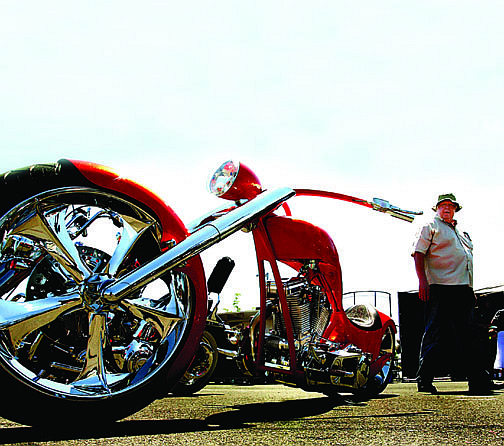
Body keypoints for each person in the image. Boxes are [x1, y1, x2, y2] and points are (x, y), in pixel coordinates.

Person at [412, 193, 491, 395]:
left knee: (469, 334)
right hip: (439, 287)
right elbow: (418, 253)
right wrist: (423, 282)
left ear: (456, 209)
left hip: (462, 289)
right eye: (443, 205)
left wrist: (470, 288)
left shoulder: (462, 233)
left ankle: (478, 379)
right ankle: (424, 379)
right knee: (435, 333)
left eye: (451, 205)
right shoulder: (430, 227)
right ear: (436, 208)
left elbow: (467, 261)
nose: (447, 208)